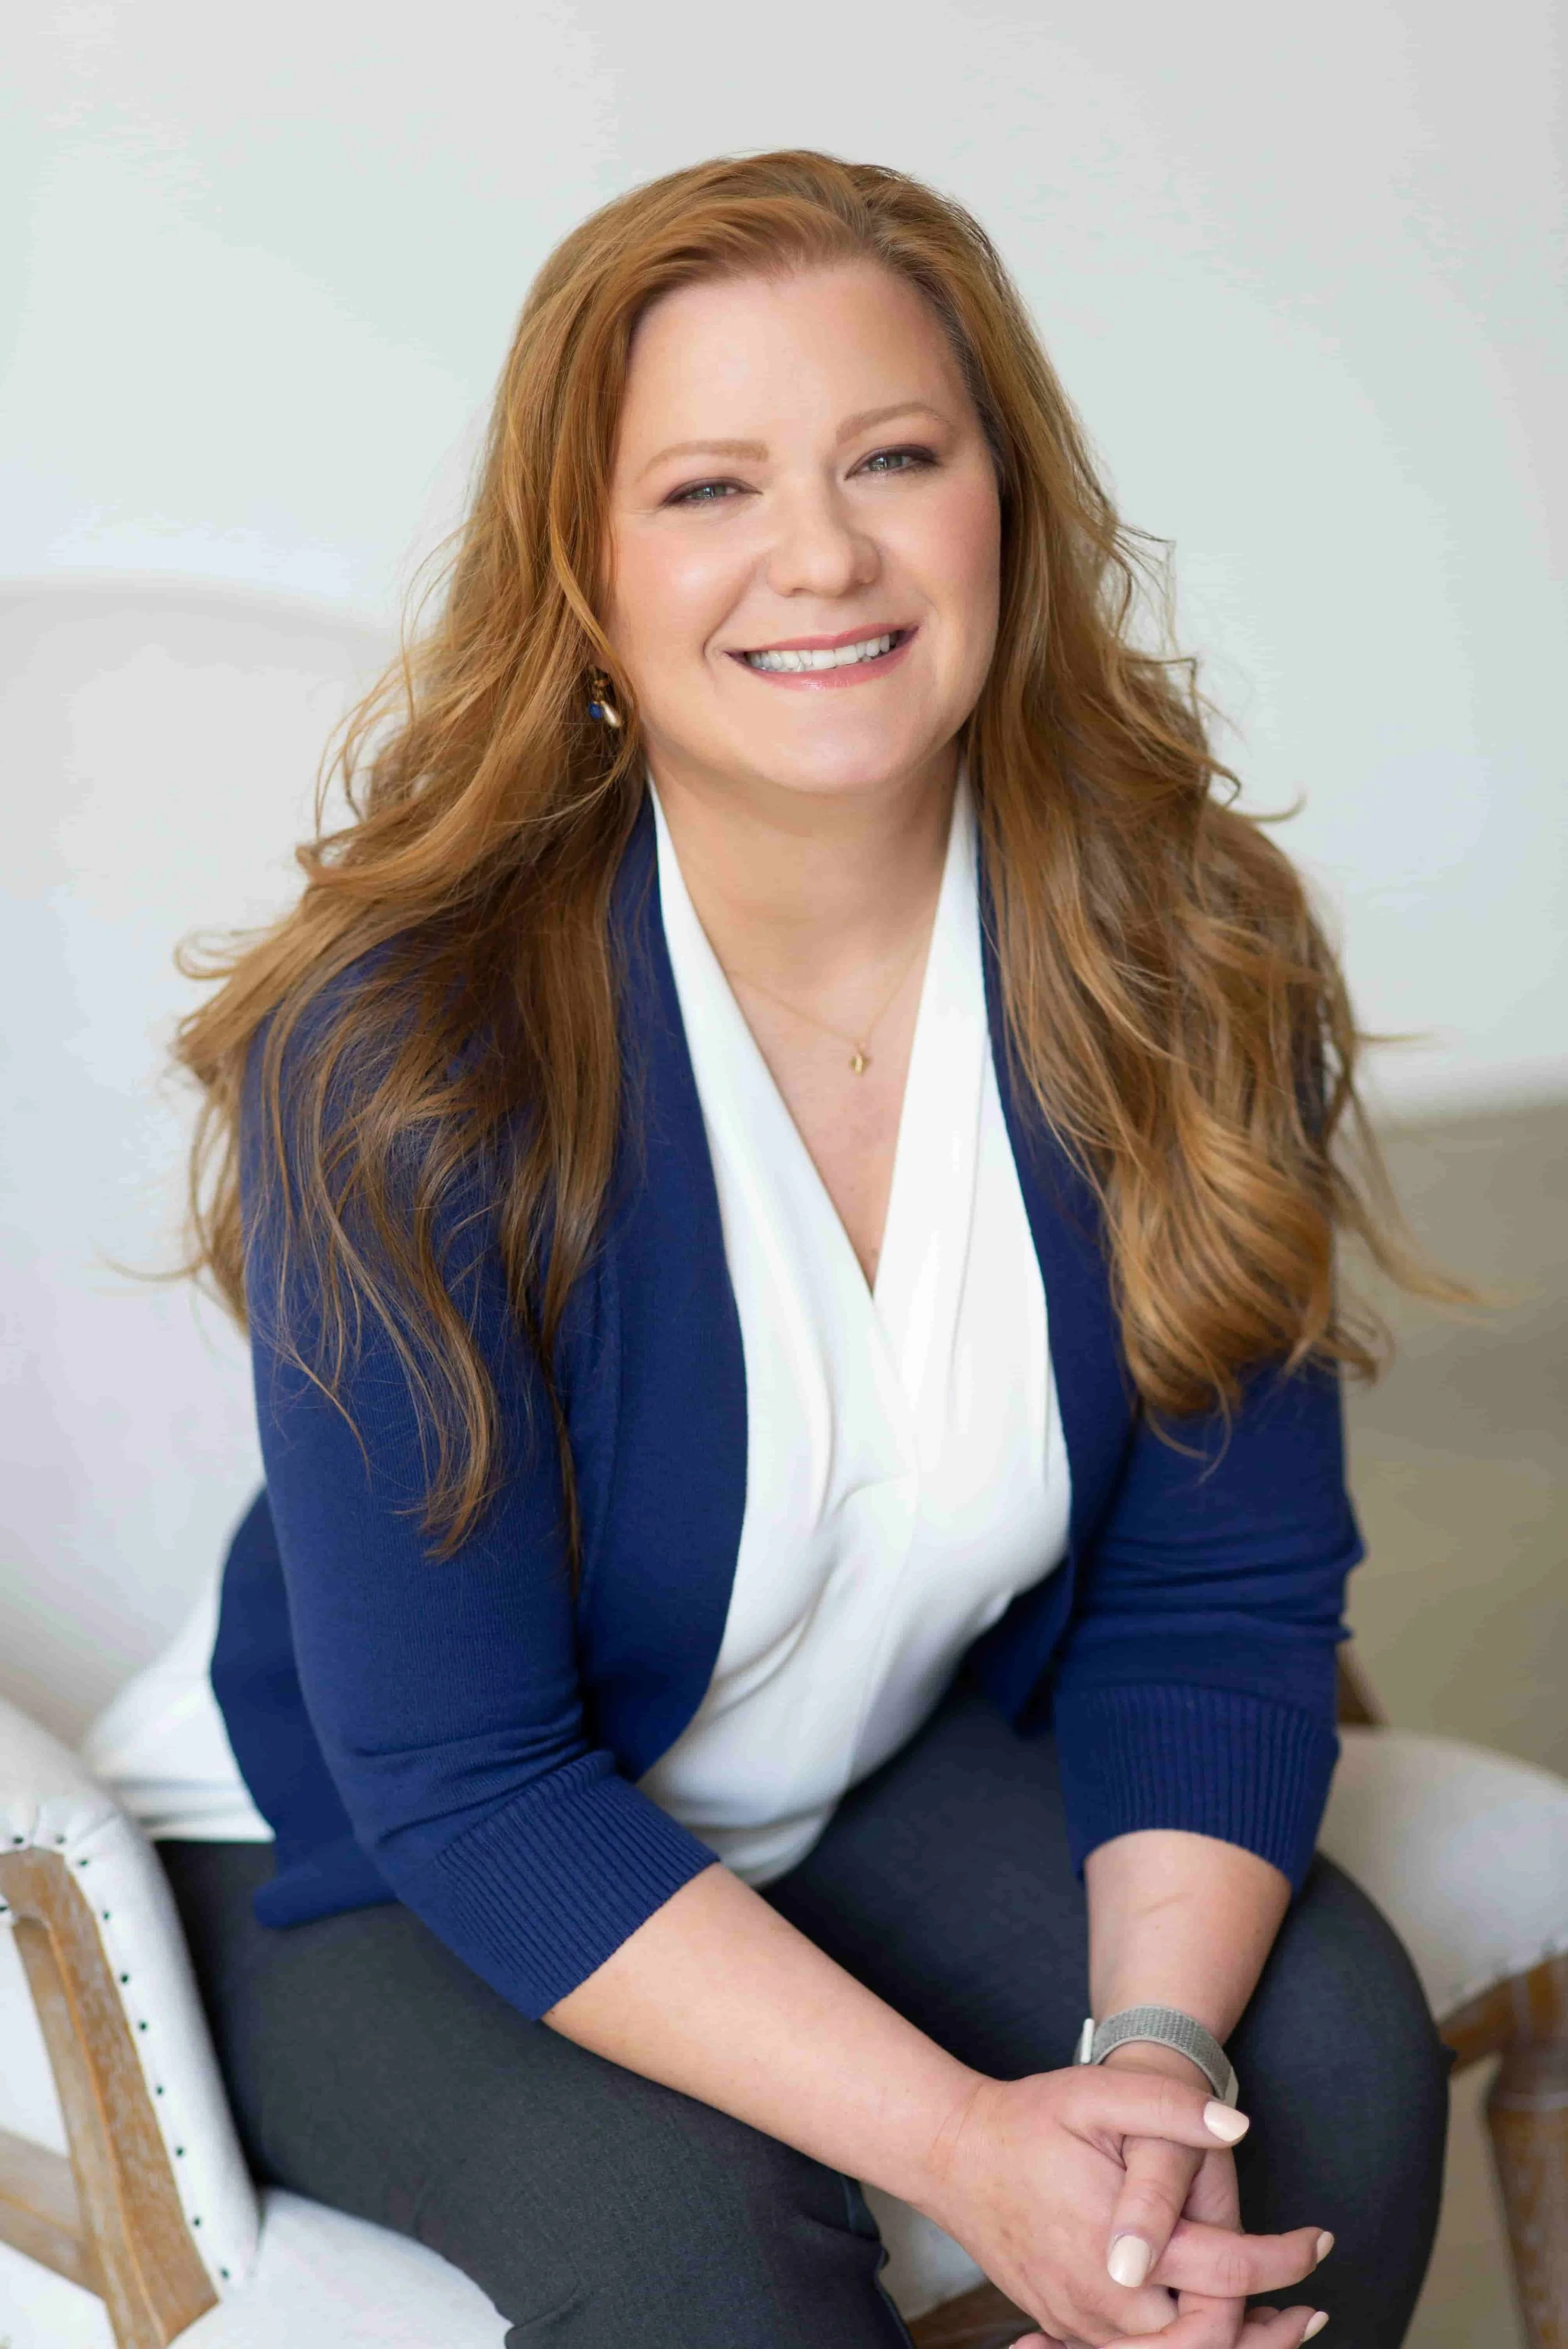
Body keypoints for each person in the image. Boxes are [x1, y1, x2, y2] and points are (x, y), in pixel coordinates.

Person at [89, 151, 1451, 2349]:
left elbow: (1217, 1602)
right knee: (689, 2255)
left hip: (849, 1766)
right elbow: (465, 1775)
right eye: (708, 488)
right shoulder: (408, 1053)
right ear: (585, 573)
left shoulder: (1188, 963)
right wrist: (957, 2147)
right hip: (379, 1853)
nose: (820, 552)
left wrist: (1144, 2077)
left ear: (1004, 499)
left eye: (893, 457)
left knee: (1317, 2080)